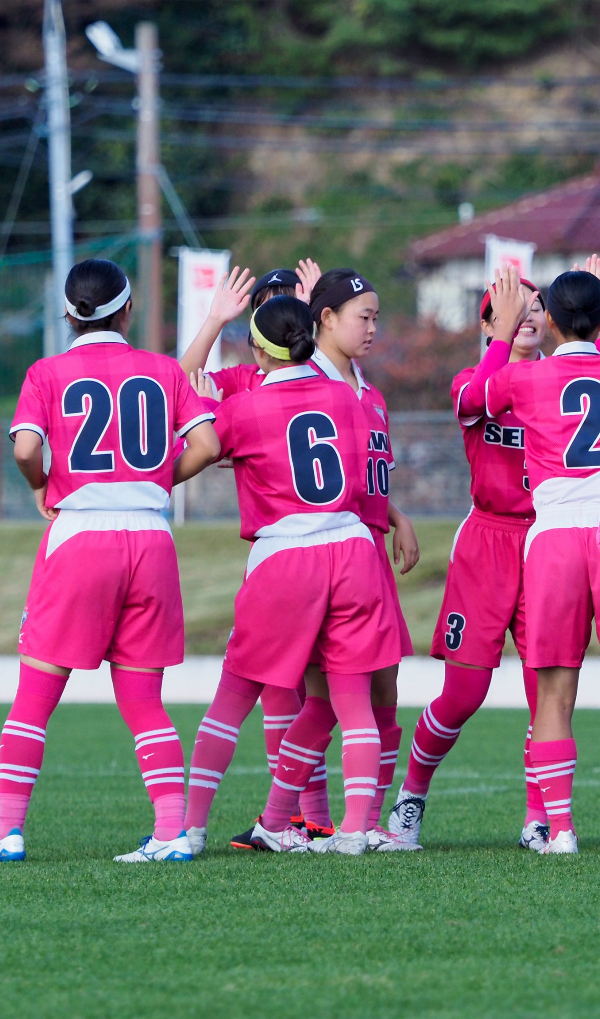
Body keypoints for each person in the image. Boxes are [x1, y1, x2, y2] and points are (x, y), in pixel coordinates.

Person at [0, 258, 220, 864]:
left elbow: (28, 449)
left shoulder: (46, 371)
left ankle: (10, 833)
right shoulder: (164, 370)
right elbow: (208, 444)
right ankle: (171, 834)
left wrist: (41, 483)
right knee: (143, 700)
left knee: (36, 694)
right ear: (128, 309)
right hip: (149, 538)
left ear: (68, 314)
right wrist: (158, 481)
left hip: (81, 534)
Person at [183, 295, 401, 856]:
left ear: (258, 349)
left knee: (234, 696)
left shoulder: (246, 407)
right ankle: (351, 829)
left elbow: (200, 442)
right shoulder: (348, 397)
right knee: (347, 699)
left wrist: (207, 412)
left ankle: (189, 827)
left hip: (286, 556)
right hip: (352, 548)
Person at [481, 263, 600, 854]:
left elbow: (470, 401)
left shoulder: (523, 378)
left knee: (554, 686)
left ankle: (560, 830)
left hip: (554, 532)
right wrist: (594, 310)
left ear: (547, 320)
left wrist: (504, 332)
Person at [248, 268, 423, 852]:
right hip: (324, 557)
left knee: (380, 690)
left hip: (365, 550)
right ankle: (327, 821)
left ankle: (347, 821)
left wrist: (395, 516)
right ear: (324, 319)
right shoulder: (308, 382)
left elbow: (362, 476)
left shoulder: (367, 390)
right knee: (331, 695)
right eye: (363, 316)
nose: (374, 327)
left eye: (377, 316)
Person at [382, 272, 550, 851]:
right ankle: (412, 797)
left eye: (535, 305)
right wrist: (502, 338)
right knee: (464, 693)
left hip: (546, 542)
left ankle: (539, 817)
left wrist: (596, 325)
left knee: (544, 689)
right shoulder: (471, 379)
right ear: (486, 325)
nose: (524, 313)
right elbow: (477, 399)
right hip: (487, 543)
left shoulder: (561, 381)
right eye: (506, 309)